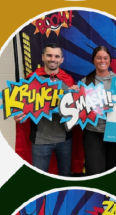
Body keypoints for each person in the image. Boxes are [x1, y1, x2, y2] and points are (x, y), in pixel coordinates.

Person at [28, 41, 78, 177]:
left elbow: (76, 110)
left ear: (62, 60)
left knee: (65, 176)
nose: (53, 59)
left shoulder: (68, 81)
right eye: (49, 56)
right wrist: (18, 113)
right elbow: (22, 106)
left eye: (56, 56)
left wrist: (77, 96)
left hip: (64, 139)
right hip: (40, 139)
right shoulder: (31, 80)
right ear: (43, 57)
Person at [79, 45, 116, 176]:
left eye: (105, 58)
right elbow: (78, 109)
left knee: (110, 170)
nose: (102, 61)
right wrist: (73, 95)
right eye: (98, 58)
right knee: (94, 173)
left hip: (112, 134)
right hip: (92, 134)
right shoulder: (85, 82)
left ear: (110, 60)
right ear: (93, 60)